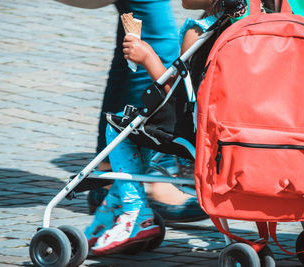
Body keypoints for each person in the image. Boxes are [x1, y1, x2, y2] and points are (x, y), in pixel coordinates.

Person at [85, 0, 226, 256]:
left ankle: (135, 213)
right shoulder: (254, 24)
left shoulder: (200, 31)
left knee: (120, 127)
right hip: (239, 136)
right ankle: (106, 215)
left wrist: (149, 58)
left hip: (201, 135)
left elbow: (180, 97)